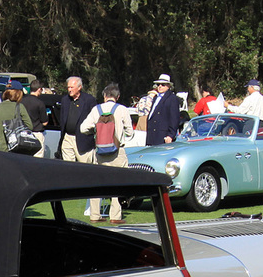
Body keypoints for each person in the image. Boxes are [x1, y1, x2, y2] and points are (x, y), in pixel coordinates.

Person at [80, 83, 137, 221]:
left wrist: (95, 131)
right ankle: (115, 216)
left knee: (97, 184)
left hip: (100, 151)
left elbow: (83, 128)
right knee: (118, 183)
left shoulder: (96, 109)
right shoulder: (122, 109)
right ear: (117, 97)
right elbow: (130, 132)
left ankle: (94, 215)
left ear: (104, 96)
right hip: (117, 152)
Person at [57, 76, 97, 163]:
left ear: (79, 87)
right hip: (67, 138)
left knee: (85, 167)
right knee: (68, 166)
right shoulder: (65, 100)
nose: (69, 90)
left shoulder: (89, 100)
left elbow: (95, 119)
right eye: (68, 87)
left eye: (72, 87)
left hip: (83, 140)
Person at [0, 80, 35, 151]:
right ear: (18, 93)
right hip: (17, 149)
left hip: (2, 149)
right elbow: (30, 126)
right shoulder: (19, 107)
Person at [146, 73, 184, 144]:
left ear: (168, 86)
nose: (160, 86)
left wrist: (170, 135)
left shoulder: (172, 99)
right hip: (152, 135)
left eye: (163, 84)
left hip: (163, 136)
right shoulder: (155, 98)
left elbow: (174, 118)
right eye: (158, 84)